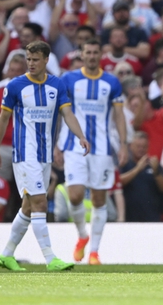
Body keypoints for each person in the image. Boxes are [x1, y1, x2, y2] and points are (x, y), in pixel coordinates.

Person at [0, 41, 90, 272]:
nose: (31, 63)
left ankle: (6, 254)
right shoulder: (16, 86)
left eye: (36, 59)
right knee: (40, 203)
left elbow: (67, 113)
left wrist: (80, 136)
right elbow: (2, 120)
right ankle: (50, 258)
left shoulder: (56, 85)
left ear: (46, 60)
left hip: (45, 154)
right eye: (29, 59)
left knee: (27, 207)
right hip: (25, 153)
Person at [58, 39, 128, 265]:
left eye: (95, 52)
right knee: (75, 195)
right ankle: (82, 236)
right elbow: (59, 113)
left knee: (99, 199)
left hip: (102, 148)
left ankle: (95, 252)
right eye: (87, 52)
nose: (91, 56)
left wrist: (124, 144)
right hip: (73, 145)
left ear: (101, 55)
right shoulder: (69, 79)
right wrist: (55, 145)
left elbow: (119, 115)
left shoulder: (111, 82)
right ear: (82, 54)